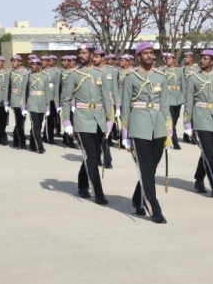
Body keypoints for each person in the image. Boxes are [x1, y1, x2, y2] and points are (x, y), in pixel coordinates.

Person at [120, 42, 170, 223]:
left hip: (158, 125)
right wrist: (125, 133)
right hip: (138, 124)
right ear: (138, 57)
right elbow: (125, 106)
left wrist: (169, 130)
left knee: (151, 167)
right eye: (145, 53)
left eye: (151, 52)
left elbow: (165, 105)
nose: (149, 55)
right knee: (146, 168)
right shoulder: (130, 77)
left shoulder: (161, 77)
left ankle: (137, 197)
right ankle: (154, 208)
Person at [61, 43, 113, 204]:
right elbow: (66, 99)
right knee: (91, 156)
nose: (81, 55)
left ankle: (82, 184)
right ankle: (99, 193)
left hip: (98, 119)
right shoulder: (73, 75)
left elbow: (106, 98)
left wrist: (110, 120)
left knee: (94, 155)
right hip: (82, 119)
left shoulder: (101, 74)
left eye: (84, 53)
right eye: (79, 53)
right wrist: (66, 121)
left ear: (91, 54)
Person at [183, 49, 213, 200]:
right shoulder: (193, 78)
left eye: (206, 58)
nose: (202, 60)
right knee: (209, 152)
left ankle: (199, 178)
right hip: (200, 117)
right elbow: (189, 102)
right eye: (201, 58)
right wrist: (187, 123)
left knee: (206, 151)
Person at [25, 55, 49, 153]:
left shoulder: (45, 77)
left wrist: (48, 106)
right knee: (35, 125)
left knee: (38, 124)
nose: (32, 66)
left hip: (42, 103)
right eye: (31, 64)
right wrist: (23, 104)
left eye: (34, 64)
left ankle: (32, 143)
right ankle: (40, 146)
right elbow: (24, 91)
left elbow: (47, 91)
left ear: (39, 65)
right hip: (32, 102)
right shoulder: (28, 76)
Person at [161, 52, 185, 148]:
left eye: (169, 58)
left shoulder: (179, 71)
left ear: (174, 59)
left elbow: (183, 85)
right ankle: (175, 142)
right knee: (170, 120)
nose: (167, 60)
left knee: (175, 120)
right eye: (166, 59)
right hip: (168, 98)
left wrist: (183, 98)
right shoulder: (163, 71)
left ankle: (168, 136)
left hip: (178, 98)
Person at [7, 55, 28, 149]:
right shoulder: (10, 73)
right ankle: (22, 141)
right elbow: (7, 88)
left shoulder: (26, 73)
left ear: (20, 62)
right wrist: (7, 101)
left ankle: (16, 138)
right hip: (15, 98)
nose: (13, 62)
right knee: (19, 120)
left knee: (21, 120)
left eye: (15, 61)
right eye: (12, 61)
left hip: (24, 99)